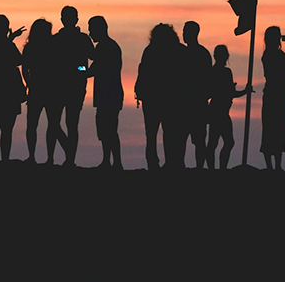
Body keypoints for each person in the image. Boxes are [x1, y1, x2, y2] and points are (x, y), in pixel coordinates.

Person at [134, 23, 184, 170]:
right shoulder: (179, 50)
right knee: (169, 133)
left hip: (153, 98)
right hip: (170, 99)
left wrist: (140, 90)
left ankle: (154, 163)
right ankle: (169, 162)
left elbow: (142, 72)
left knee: (151, 134)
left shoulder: (150, 51)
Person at [50, 6, 94, 166]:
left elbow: (93, 57)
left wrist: (80, 70)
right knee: (60, 123)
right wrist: (80, 69)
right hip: (62, 86)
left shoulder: (79, 39)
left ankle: (69, 159)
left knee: (68, 123)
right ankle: (67, 154)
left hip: (71, 86)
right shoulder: (58, 39)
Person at [0, 15, 25, 161]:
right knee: (6, 129)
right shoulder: (8, 45)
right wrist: (10, 40)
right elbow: (19, 60)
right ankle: (4, 160)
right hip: (9, 91)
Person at [22, 19, 62, 163]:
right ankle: (49, 157)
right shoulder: (53, 46)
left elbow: (24, 69)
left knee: (33, 124)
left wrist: (29, 83)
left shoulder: (30, 47)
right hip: (50, 89)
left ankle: (34, 157)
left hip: (38, 88)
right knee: (51, 125)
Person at [206, 44, 251, 170]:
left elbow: (229, 92)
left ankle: (218, 169)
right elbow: (228, 93)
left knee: (220, 143)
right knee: (219, 143)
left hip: (220, 110)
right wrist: (243, 91)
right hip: (218, 111)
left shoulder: (216, 72)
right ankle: (218, 169)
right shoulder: (223, 72)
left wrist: (242, 91)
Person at [87, 15, 123, 169]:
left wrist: (77, 69)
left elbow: (92, 69)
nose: (90, 34)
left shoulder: (105, 47)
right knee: (107, 129)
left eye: (91, 30)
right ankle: (109, 161)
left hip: (108, 94)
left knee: (108, 129)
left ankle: (114, 162)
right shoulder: (110, 46)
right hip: (111, 94)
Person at [260, 26, 285, 172]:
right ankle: (271, 166)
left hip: (280, 95)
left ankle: (276, 166)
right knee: (272, 129)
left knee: (280, 130)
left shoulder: (276, 54)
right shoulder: (270, 55)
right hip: (274, 96)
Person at [182, 21, 213, 168]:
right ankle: (193, 167)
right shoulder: (202, 53)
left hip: (194, 102)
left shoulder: (191, 54)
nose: (183, 34)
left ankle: (199, 167)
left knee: (197, 140)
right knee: (188, 139)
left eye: (185, 31)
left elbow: (207, 79)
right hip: (192, 101)